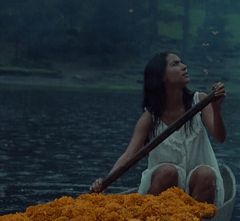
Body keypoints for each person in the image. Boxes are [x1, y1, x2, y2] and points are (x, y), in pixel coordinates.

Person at [91, 51, 227, 207]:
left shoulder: (200, 101)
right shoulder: (149, 118)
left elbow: (220, 137)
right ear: (162, 76)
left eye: (182, 62)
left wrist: (216, 109)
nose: (184, 67)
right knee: (168, 171)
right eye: (175, 64)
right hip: (162, 191)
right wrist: (105, 182)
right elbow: (129, 155)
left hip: (199, 190)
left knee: (205, 173)